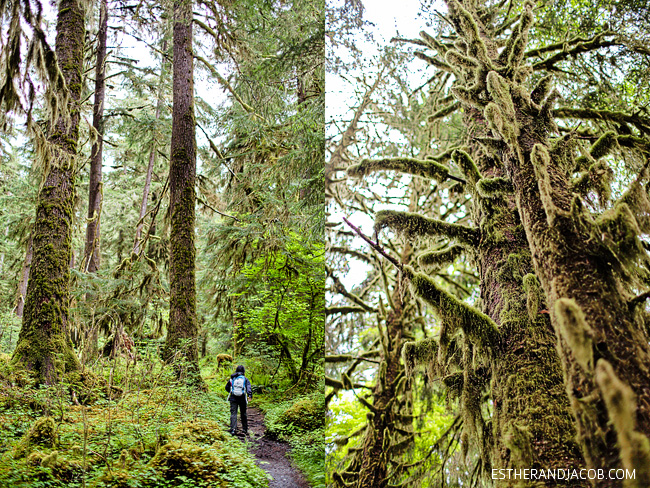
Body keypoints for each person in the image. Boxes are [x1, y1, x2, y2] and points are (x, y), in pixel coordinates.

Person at [225, 364, 252, 435]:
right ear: (243, 371)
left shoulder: (232, 378)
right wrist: (250, 395)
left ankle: (233, 429)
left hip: (233, 398)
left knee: (233, 413)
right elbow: (248, 387)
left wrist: (232, 392)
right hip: (242, 398)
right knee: (243, 413)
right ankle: (245, 429)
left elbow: (227, 387)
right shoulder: (245, 379)